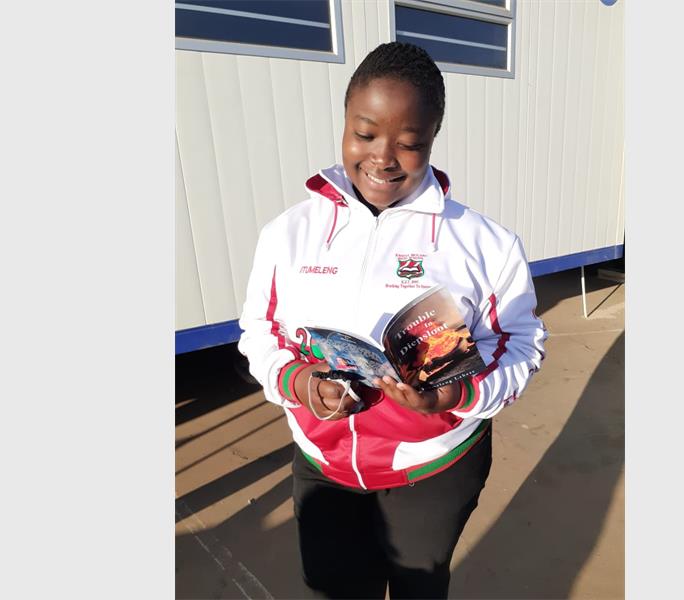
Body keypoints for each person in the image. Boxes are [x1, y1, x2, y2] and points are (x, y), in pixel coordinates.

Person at [238, 42, 547, 599]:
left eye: (409, 144)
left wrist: (453, 395)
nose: (383, 159)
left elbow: (521, 346)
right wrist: (300, 382)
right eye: (365, 134)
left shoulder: (485, 244)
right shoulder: (288, 234)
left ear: (432, 139)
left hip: (434, 467)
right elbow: (261, 331)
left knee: (418, 590)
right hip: (323, 461)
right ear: (345, 124)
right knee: (335, 590)